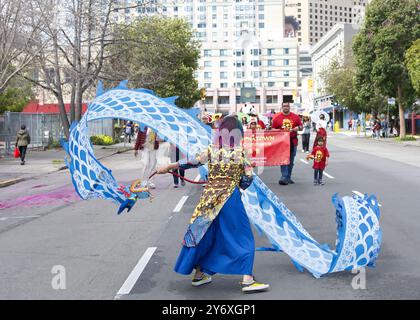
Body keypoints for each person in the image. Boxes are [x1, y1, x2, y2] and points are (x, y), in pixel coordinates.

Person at [156, 116, 269, 293]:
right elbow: (248, 178)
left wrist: (169, 166)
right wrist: (239, 182)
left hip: (208, 198)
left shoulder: (212, 150)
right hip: (229, 198)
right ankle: (247, 279)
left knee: (204, 233)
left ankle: (199, 274)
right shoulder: (240, 152)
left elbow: (191, 161)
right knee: (242, 235)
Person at [272, 102, 303, 185]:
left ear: (289, 107)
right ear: (282, 107)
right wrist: (279, 131)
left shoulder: (295, 117)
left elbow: (301, 127)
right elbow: (272, 129)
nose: (286, 107)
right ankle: (284, 177)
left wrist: (297, 128)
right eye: (284, 106)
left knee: (291, 161)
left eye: (287, 106)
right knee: (283, 160)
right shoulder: (277, 117)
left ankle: (288, 177)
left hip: (293, 141)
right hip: (282, 142)